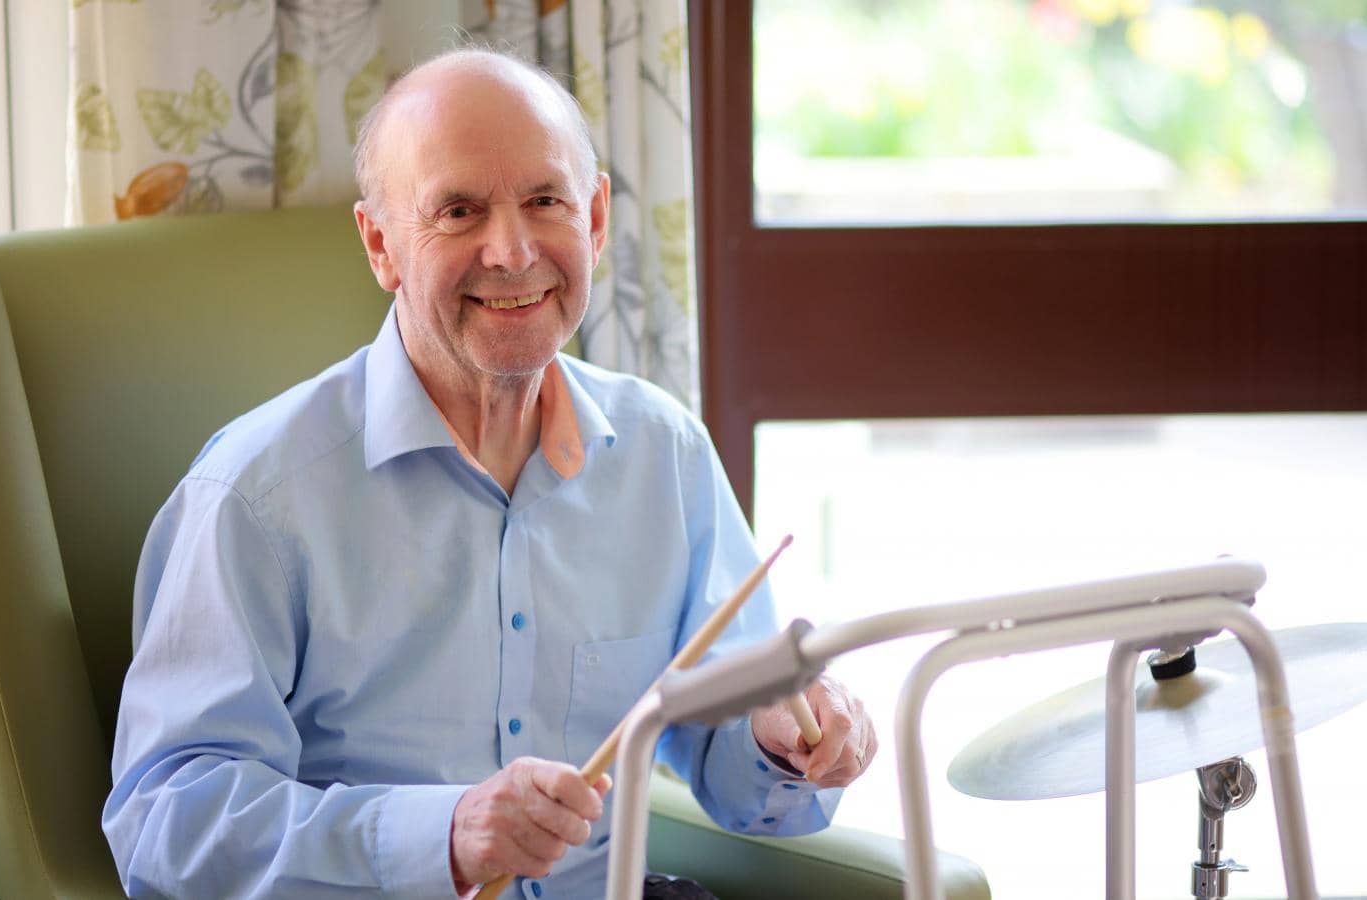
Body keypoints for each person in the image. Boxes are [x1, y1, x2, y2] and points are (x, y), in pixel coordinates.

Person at [103, 48, 877, 899]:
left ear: (594, 219)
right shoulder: (255, 497)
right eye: (459, 211)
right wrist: (445, 835)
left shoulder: (665, 453)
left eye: (545, 201)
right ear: (380, 245)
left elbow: (738, 775)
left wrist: (783, 738)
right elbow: (165, 825)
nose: (510, 253)